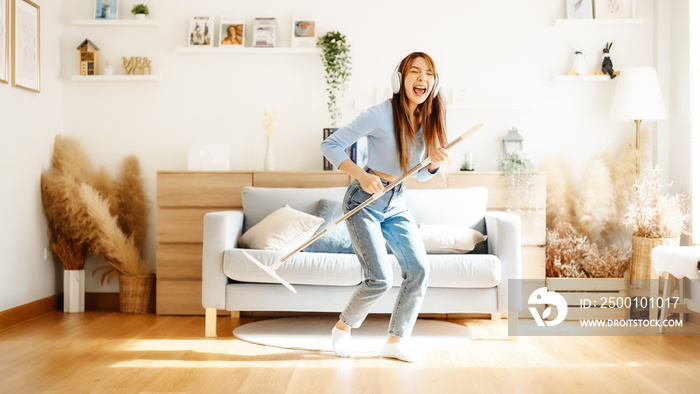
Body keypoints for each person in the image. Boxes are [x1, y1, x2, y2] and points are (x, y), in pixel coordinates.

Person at [320, 52, 449, 363]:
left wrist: (432, 166)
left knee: (418, 269)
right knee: (379, 278)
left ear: (434, 82)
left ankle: (394, 341)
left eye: (429, 73)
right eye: (415, 72)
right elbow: (330, 145)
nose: (422, 78)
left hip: (396, 201)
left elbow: (415, 173)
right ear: (400, 79)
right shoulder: (380, 114)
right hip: (363, 201)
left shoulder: (429, 120)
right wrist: (362, 175)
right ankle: (343, 328)